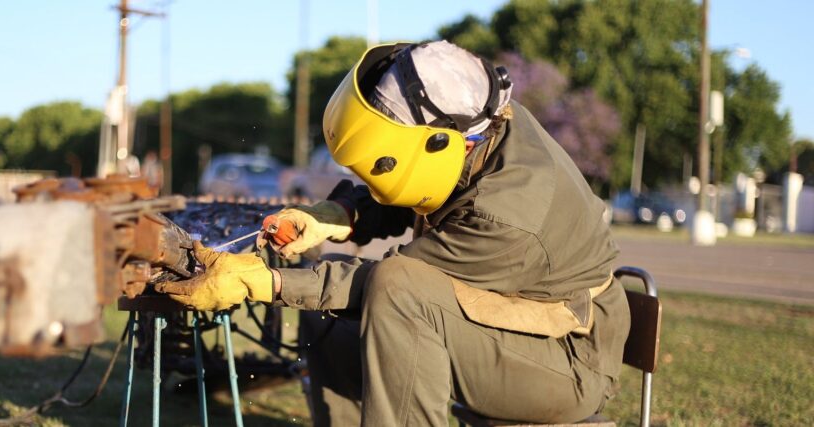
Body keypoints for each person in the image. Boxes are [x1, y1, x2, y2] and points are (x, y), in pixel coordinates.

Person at [158, 41, 630, 426]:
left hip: (566, 364)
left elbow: (390, 286)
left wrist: (263, 282)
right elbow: (425, 190)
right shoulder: (481, 127)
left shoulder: (507, 214)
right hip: (515, 324)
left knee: (397, 289)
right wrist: (338, 213)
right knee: (330, 322)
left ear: (442, 139)